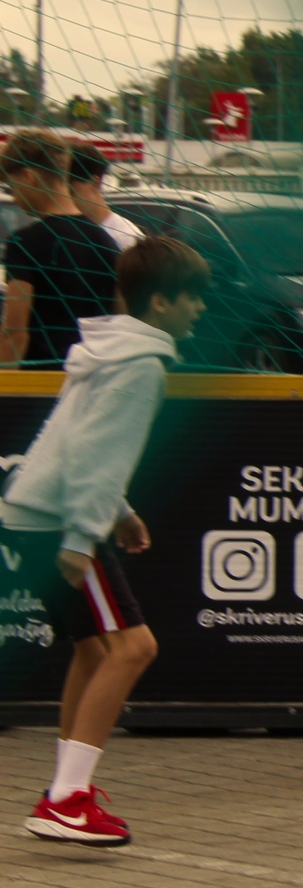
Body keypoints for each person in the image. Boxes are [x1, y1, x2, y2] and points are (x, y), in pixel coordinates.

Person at [4, 237, 210, 846]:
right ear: (162, 302)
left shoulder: (110, 350)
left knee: (96, 652)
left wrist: (119, 514)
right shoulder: (142, 366)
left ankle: (64, 792)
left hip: (34, 513)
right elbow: (96, 454)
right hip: (58, 521)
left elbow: (76, 441)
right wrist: (82, 536)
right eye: (193, 297)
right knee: (133, 648)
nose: (200, 308)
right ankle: (67, 801)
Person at [1, 130, 119, 367]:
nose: (14, 198)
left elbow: (15, 334)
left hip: (42, 379)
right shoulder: (106, 241)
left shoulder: (25, 243)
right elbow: (118, 316)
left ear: (28, 176)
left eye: (13, 187)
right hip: (91, 374)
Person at [67, 144, 144, 252]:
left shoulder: (126, 240)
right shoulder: (65, 233)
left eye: (71, 191)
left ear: (95, 182)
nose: (64, 199)